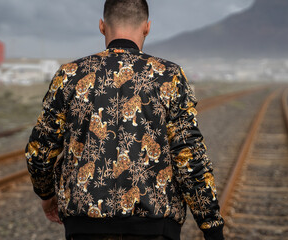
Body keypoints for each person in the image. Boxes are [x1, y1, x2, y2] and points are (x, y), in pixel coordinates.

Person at [25, 0, 224, 239]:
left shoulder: (70, 75)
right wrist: (211, 225)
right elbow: (189, 157)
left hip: (85, 228)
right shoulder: (169, 77)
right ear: (147, 27)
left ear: (101, 26)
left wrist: (47, 196)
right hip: (154, 228)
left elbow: (39, 151)